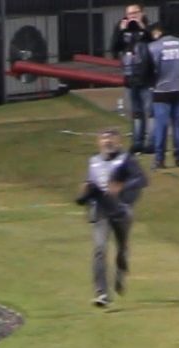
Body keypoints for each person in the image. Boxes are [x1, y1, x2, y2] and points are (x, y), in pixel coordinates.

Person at [77, 127, 148, 308]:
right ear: (98, 142)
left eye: (111, 139)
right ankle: (101, 293)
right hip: (101, 211)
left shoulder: (126, 160)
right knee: (100, 249)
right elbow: (91, 183)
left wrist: (122, 187)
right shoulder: (93, 161)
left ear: (119, 141)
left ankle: (121, 271)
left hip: (121, 210)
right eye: (104, 139)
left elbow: (142, 180)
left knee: (121, 249)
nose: (107, 142)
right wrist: (85, 191)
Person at [147, 23, 179, 169]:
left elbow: (148, 69)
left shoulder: (153, 47)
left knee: (161, 125)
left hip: (161, 90)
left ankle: (160, 159)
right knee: (178, 124)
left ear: (158, 32)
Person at [110, 5, 152, 153]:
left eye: (135, 13)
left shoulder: (148, 28)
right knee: (136, 112)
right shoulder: (122, 29)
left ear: (142, 13)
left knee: (150, 112)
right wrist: (121, 31)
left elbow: (153, 44)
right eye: (129, 14)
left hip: (147, 77)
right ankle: (137, 142)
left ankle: (151, 143)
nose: (132, 16)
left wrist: (143, 28)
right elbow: (114, 49)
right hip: (130, 77)